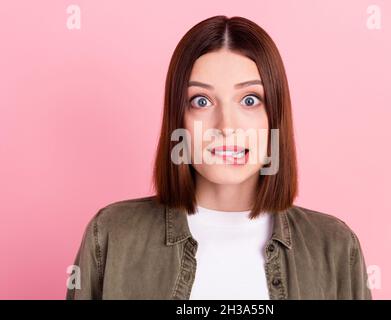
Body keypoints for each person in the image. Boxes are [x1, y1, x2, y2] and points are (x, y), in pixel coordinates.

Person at [66, 15, 372, 300]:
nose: (226, 126)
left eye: (250, 100)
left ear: (274, 117)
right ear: (179, 120)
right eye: (202, 101)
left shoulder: (334, 247)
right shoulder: (112, 236)